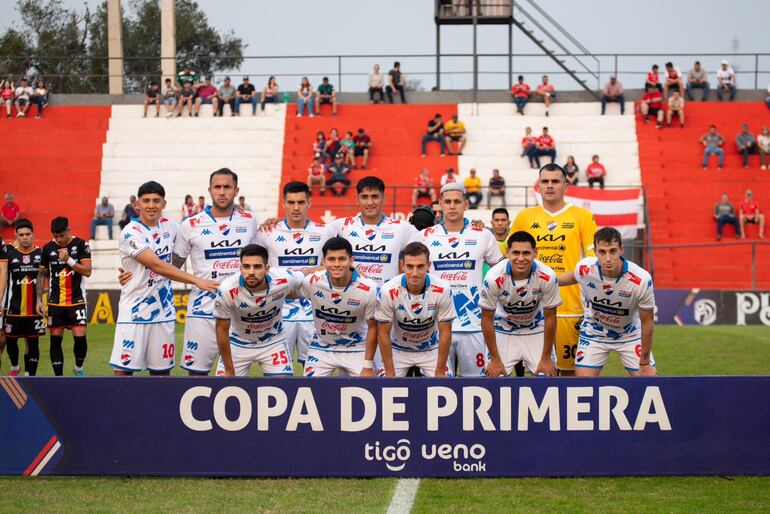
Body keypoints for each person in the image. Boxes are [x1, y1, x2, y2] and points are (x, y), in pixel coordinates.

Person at [110, 181, 218, 376]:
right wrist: (196, 280)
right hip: (134, 313)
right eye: (146, 201)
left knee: (161, 375)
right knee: (123, 374)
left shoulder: (172, 227)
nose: (151, 205)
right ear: (137, 204)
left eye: (156, 201)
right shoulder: (131, 232)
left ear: (164, 204)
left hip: (164, 313)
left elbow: (202, 234)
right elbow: (156, 265)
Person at [509, 163, 598, 376]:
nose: (549, 186)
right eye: (545, 182)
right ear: (538, 186)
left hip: (569, 307)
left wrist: (553, 280)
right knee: (539, 375)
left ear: (566, 186)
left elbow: (592, 262)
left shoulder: (582, 216)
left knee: (570, 375)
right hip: (531, 309)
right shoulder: (525, 217)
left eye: (555, 181)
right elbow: (507, 254)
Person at [170, 169, 259, 376]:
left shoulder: (249, 220)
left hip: (239, 309)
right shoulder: (191, 224)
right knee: (196, 374)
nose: (222, 192)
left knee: (234, 374)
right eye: (217, 187)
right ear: (209, 190)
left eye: (227, 187)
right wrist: (136, 269)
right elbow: (172, 265)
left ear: (236, 190)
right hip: (202, 310)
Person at [418, 183, 501, 376]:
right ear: (440, 204)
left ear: (466, 204)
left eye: (457, 202)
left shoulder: (483, 235)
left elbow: (500, 271)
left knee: (477, 387)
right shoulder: (425, 236)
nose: (452, 206)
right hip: (435, 327)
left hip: (474, 327)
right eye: (447, 202)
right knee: (436, 388)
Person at [557, 227, 656, 377]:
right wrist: (545, 282)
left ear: (621, 250)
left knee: (649, 382)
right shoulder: (585, 268)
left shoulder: (641, 280)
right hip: (594, 332)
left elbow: (647, 323)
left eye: (613, 251)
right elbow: (572, 276)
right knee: (582, 387)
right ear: (595, 251)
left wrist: (645, 363)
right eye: (602, 252)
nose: (608, 258)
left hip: (629, 334)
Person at [255, 182, 333, 365]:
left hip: (315, 311)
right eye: (291, 202)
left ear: (309, 203)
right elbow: (255, 266)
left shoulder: (325, 232)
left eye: (301, 202)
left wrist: (316, 269)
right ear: (283, 203)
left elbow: (336, 263)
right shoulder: (268, 232)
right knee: (277, 371)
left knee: (317, 371)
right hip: (279, 311)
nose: (296, 207)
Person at [480, 230, 561, 377]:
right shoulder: (493, 277)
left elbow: (551, 317)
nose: (521, 258)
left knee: (547, 378)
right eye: (516, 253)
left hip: (535, 329)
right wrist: (495, 359)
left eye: (526, 253)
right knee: (494, 380)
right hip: (503, 329)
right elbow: (486, 319)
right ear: (507, 252)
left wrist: (546, 358)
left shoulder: (548, 276)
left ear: (535, 253)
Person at [214, 244, 300, 377]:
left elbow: (307, 276)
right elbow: (221, 330)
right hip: (237, 343)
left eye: (257, 266)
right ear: (240, 268)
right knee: (225, 389)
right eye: (246, 266)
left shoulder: (284, 279)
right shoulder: (226, 289)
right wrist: (229, 370)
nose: (251, 272)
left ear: (267, 269)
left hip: (272, 341)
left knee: (284, 387)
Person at [300, 237, 378, 377]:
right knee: (309, 390)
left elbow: (373, 327)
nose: (337, 264)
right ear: (323, 261)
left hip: (356, 346)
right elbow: (286, 291)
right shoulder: (311, 282)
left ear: (351, 260)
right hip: (322, 346)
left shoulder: (368, 289)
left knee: (369, 387)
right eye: (331, 259)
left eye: (342, 259)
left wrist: (367, 365)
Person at [376, 242, 455, 377]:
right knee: (384, 386)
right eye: (410, 266)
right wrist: (389, 373)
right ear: (402, 266)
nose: (414, 273)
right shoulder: (387, 290)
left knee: (444, 384)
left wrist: (440, 371)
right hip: (397, 349)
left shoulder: (443, 289)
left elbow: (445, 332)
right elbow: (383, 333)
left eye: (420, 267)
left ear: (429, 266)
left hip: (431, 348)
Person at [36, 216, 92, 376]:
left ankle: (78, 368)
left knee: (80, 338)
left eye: (62, 235)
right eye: (56, 236)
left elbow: (87, 271)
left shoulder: (81, 245)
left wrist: (69, 260)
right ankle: (59, 377)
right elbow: (41, 275)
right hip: (55, 302)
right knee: (55, 339)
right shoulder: (47, 248)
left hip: (76, 300)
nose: (59, 239)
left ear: (69, 230)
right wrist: (39, 300)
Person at [0, 219, 45, 376]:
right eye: (21, 235)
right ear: (16, 235)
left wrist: (42, 300)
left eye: (28, 234)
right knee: (10, 340)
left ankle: (29, 375)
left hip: (34, 307)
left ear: (33, 234)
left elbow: (43, 278)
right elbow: (3, 275)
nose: (24, 237)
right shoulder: (8, 251)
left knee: (32, 341)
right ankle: (15, 367)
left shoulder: (41, 254)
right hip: (14, 306)